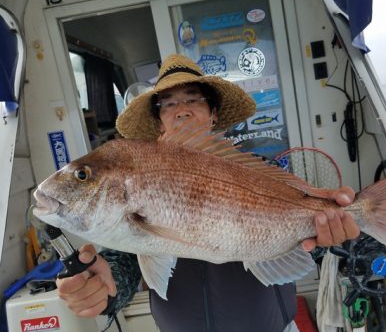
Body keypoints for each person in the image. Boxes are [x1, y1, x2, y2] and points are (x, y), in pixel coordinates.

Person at [56, 54, 359, 332]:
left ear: (213, 113)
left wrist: (328, 233)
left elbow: (305, 239)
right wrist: (105, 285)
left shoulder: (262, 172)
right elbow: (127, 257)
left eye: (194, 99)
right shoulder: (140, 174)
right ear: (159, 119)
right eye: (168, 102)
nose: (182, 109)